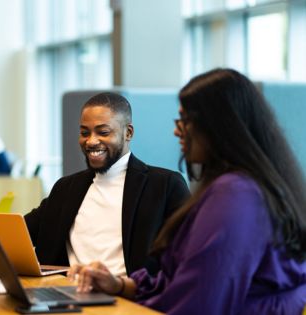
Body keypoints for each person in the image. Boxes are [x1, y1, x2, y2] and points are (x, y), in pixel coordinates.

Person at [69, 69, 306, 314]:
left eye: (185, 120)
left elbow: (199, 304)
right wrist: (118, 285)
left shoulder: (236, 195)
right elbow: (180, 283)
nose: (177, 130)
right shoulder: (239, 187)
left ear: (217, 126)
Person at [24, 92, 189, 276]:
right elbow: (19, 232)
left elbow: (186, 258)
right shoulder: (66, 188)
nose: (91, 141)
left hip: (129, 298)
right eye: (84, 133)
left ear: (128, 133)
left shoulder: (165, 186)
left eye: (103, 132)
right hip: (67, 297)